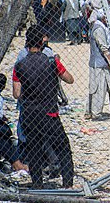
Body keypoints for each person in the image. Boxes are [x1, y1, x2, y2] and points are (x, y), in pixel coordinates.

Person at [13, 25, 75, 188]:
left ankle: (37, 184)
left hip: (30, 114)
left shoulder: (20, 65)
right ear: (42, 42)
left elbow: (16, 93)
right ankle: (67, 183)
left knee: (34, 149)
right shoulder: (51, 61)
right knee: (62, 147)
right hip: (49, 112)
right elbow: (70, 79)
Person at [87, 8, 110, 120]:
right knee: (99, 88)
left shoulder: (99, 27)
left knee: (96, 87)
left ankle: (90, 111)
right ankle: (96, 112)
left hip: (99, 62)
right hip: (99, 63)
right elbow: (103, 47)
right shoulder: (99, 29)